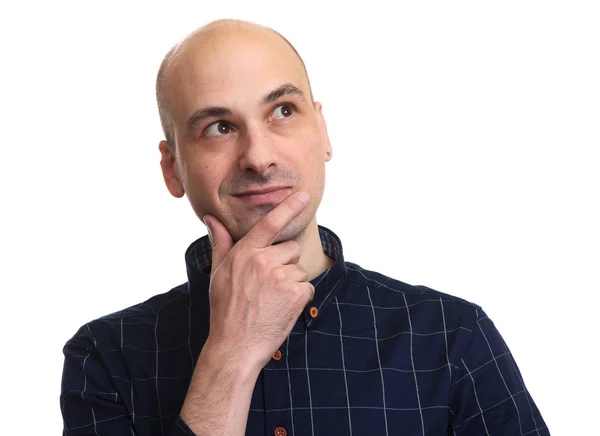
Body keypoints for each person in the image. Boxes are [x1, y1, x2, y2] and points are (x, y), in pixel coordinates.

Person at [60, 19, 549, 436]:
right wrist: (230, 356)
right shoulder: (105, 358)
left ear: (323, 132)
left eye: (283, 111)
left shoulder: (451, 336)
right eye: (219, 127)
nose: (258, 157)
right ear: (173, 169)